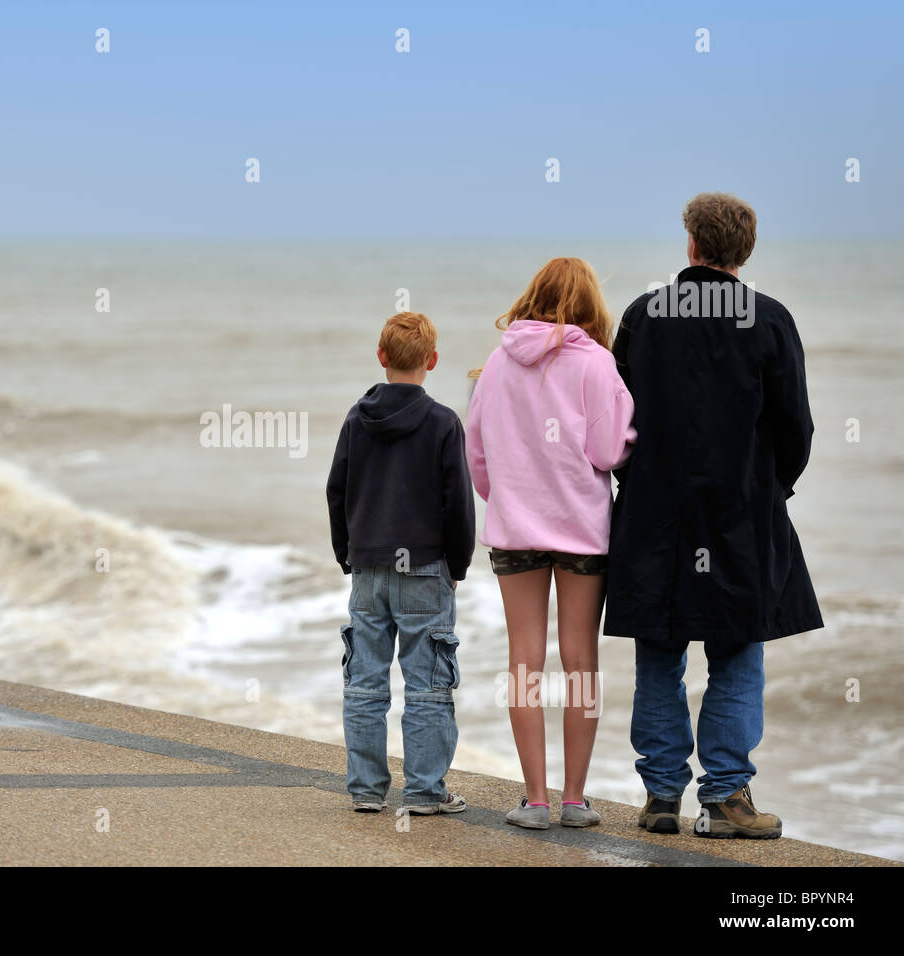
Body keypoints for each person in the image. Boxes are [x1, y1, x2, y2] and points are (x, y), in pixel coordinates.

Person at [605, 193, 823, 839]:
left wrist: (635, 482)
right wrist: (767, 488)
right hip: (740, 518)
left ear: (692, 246)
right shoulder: (770, 320)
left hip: (656, 516)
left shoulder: (646, 315)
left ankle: (661, 796)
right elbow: (797, 428)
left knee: (658, 654)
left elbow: (619, 421)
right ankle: (726, 797)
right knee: (736, 652)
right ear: (742, 252)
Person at [465, 258, 636, 830]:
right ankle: (574, 800)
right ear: (591, 303)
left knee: (524, 662)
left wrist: (507, 497)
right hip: (583, 531)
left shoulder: (497, 363)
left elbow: (477, 452)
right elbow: (611, 452)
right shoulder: (596, 362)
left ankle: (534, 800)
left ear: (533, 295)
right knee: (581, 661)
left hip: (516, 531)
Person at [326, 311, 475, 815]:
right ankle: (425, 792)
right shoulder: (442, 422)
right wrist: (459, 562)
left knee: (365, 683)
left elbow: (337, 489)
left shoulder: (356, 418)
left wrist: (346, 552)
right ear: (432, 361)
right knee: (428, 684)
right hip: (426, 568)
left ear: (381, 357)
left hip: (368, 566)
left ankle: (366, 791)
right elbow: (458, 501)